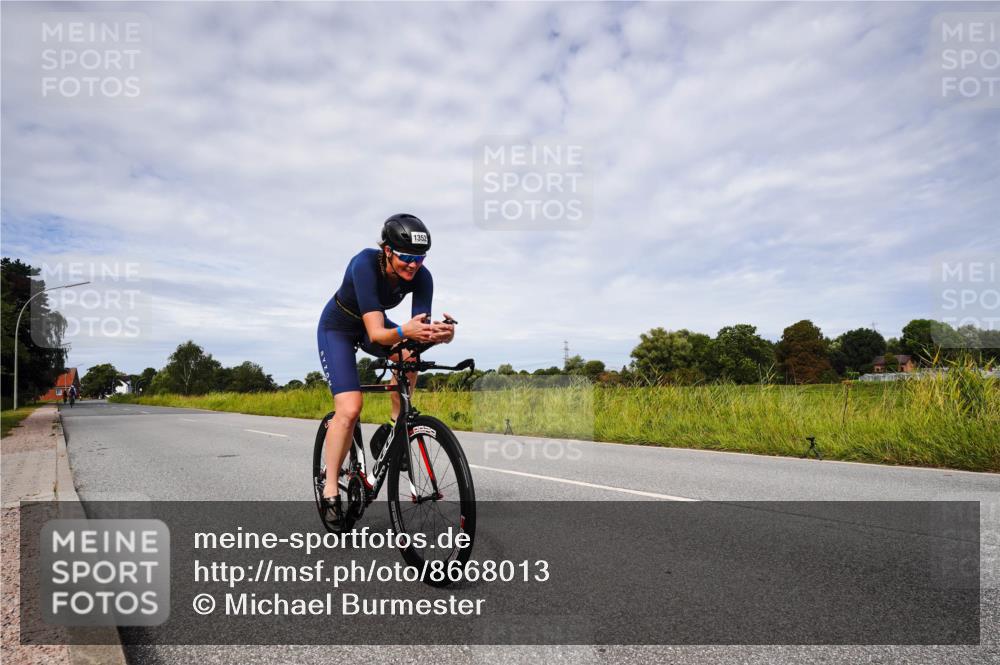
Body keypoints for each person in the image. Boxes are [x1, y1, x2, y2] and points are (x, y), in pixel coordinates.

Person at [316, 214, 455, 519]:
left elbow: (417, 333)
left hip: (373, 326)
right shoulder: (364, 264)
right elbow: (379, 333)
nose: (413, 265)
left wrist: (441, 335)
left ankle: (394, 429)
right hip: (338, 329)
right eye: (406, 257)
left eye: (420, 258)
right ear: (388, 251)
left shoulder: (422, 276)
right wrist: (406, 332)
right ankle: (329, 486)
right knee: (350, 409)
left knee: (411, 356)